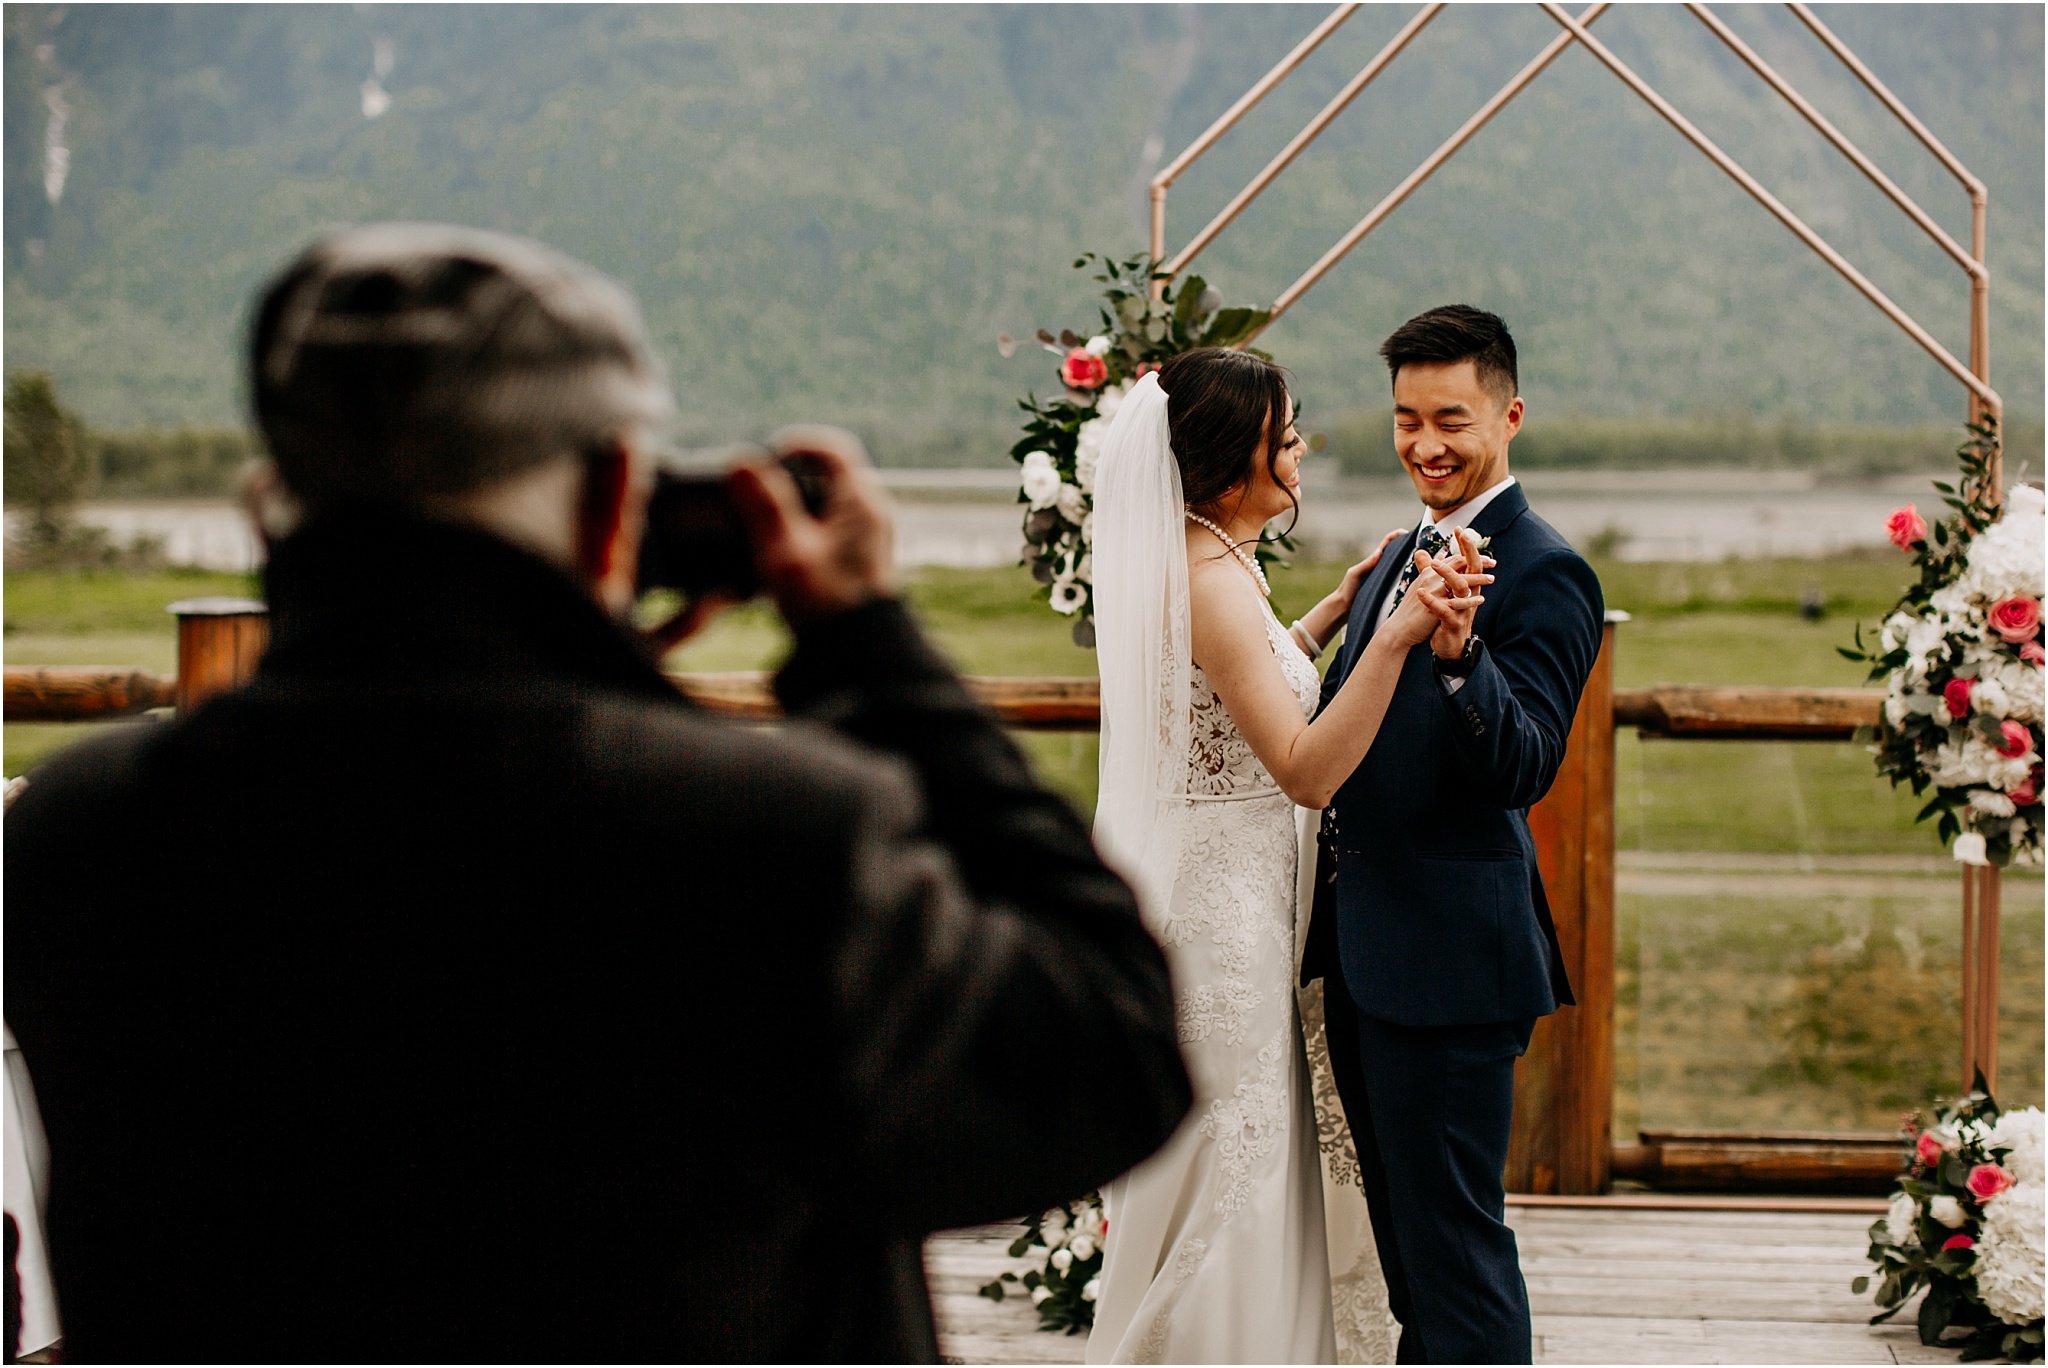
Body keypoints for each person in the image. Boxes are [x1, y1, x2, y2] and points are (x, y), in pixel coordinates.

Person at [3, 222, 1194, 1363]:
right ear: (615, 490)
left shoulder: (80, 831)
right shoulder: (762, 836)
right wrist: (868, 645)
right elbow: (1110, 1057)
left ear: (268, 503)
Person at [1083, 348, 1488, 1364]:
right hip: (1221, 911)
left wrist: (1330, 613)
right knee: (1237, 1159)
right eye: (1285, 430)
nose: (1300, 445)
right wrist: (1393, 638)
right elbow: (1304, 770)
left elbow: (1238, 693)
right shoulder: (1209, 576)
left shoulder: (1212, 558)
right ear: (1233, 453)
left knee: (1241, 1152)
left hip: (1239, 893)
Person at [1305, 305, 1606, 1364]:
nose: (1423, 443)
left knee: (1457, 1258)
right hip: (1361, 953)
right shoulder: (1400, 552)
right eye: (1403, 419)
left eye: (1449, 418)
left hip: (1448, 966)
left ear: (1508, 415)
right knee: (1407, 1259)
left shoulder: (1545, 569)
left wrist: (1457, 656)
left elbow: (1522, 766)